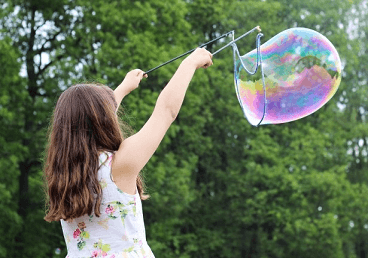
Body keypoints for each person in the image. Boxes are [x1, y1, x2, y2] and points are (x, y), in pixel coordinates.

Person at [43, 48, 213, 258]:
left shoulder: (64, 174)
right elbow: (166, 111)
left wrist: (122, 89)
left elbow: (88, 121)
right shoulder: (119, 165)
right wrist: (191, 62)